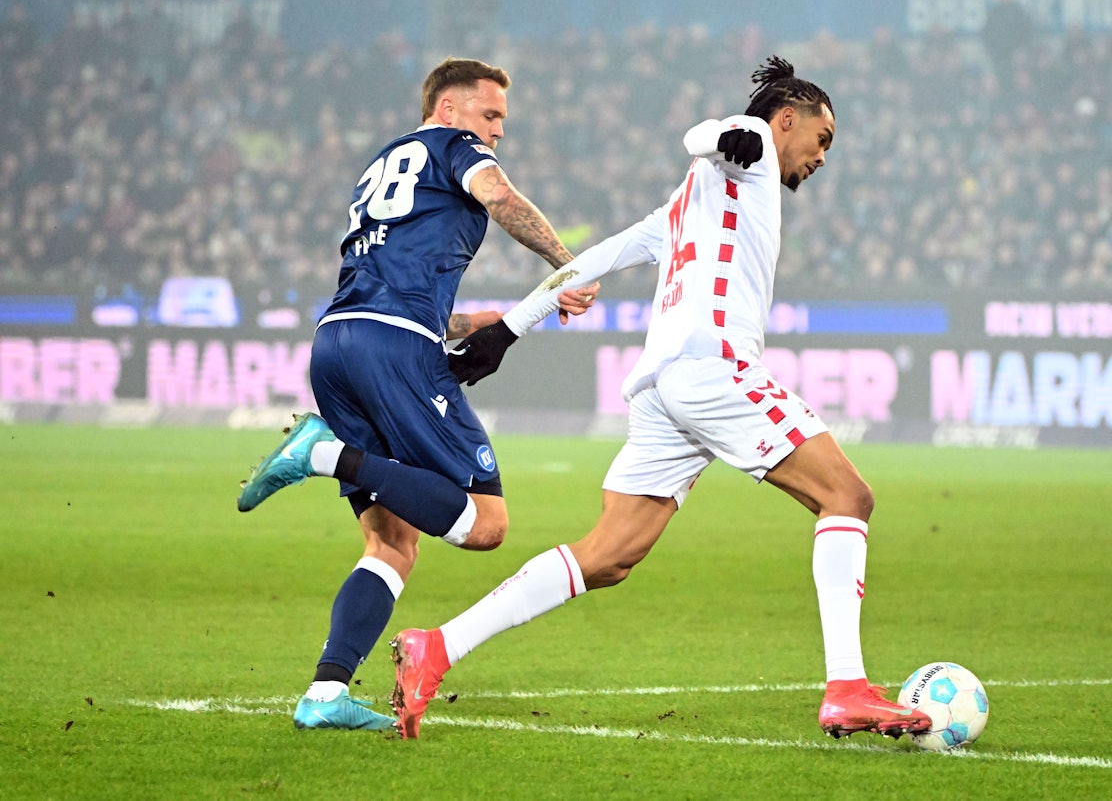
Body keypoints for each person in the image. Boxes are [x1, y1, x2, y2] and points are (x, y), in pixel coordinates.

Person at [389, 57, 932, 742]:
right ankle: (848, 688)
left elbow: (598, 257)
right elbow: (712, 133)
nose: (822, 158)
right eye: (823, 140)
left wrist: (512, 330)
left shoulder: (685, 203)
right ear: (788, 119)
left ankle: (435, 648)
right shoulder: (753, 147)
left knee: (608, 556)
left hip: (663, 390)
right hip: (715, 369)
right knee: (848, 498)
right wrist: (720, 136)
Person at [236, 57, 596, 731]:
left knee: (392, 543)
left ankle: (324, 696)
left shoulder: (383, 164)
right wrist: (567, 263)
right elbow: (502, 198)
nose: (497, 132)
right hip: (393, 350)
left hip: (338, 343)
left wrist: (505, 317)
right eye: (491, 116)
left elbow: (424, 307)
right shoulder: (453, 147)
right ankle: (323, 454)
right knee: (486, 525)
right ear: (452, 108)